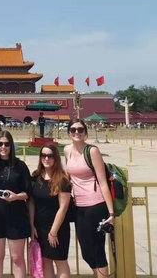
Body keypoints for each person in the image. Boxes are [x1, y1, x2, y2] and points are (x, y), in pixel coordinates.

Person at [64, 118, 115, 277]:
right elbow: (68, 177)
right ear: (69, 133)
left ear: (85, 133)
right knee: (86, 251)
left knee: (97, 250)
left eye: (80, 130)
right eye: (73, 130)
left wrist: (111, 214)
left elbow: (103, 183)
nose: (77, 132)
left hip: (96, 205)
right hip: (79, 206)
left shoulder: (92, 151)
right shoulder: (67, 150)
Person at [0, 131, 32, 278]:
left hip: (16, 216)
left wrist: (16, 197)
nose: (3, 147)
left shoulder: (20, 166)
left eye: (6, 144)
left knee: (17, 258)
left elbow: (29, 192)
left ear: (11, 145)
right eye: (0, 144)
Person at [30, 145, 71, 278]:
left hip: (57, 228)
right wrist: (32, 225)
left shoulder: (62, 180)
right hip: (40, 227)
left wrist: (53, 232)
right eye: (43, 155)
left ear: (56, 158)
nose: (46, 158)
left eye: (50, 156)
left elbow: (63, 207)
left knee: (60, 262)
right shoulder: (35, 177)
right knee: (46, 262)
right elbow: (30, 202)